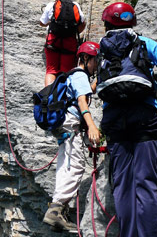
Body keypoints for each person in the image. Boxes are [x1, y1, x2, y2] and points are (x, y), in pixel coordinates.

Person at [98, 2, 157, 237]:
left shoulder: (102, 50)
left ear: (106, 24)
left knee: (122, 185)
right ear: (132, 22)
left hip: (115, 121)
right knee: (146, 183)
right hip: (145, 119)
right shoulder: (145, 44)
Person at [43, 41, 101, 232]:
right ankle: (56, 210)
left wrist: (94, 85)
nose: (96, 64)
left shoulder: (74, 75)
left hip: (63, 123)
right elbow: (81, 99)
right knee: (75, 166)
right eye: (95, 60)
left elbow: (82, 93)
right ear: (85, 58)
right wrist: (91, 125)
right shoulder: (80, 74)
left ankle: (59, 210)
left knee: (65, 164)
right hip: (70, 124)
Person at [40, 0, 86, 86]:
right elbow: (82, 23)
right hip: (70, 41)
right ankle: (65, 98)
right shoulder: (75, 5)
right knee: (67, 71)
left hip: (53, 40)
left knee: (51, 70)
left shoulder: (51, 5)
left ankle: (49, 97)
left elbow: (42, 23)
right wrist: (75, 31)